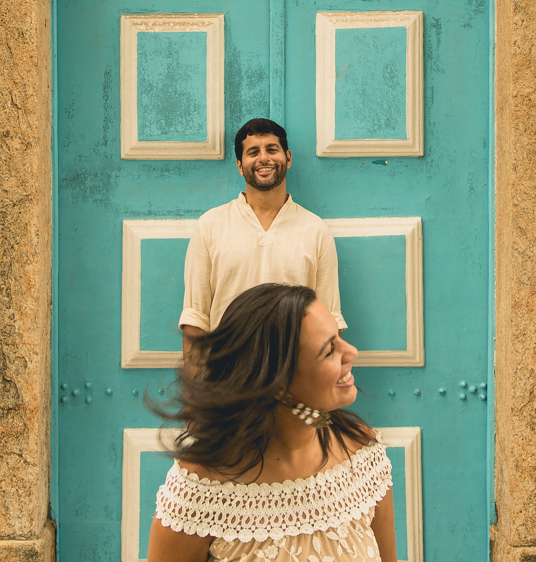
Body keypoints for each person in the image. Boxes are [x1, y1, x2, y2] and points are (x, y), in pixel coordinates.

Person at [147, 283, 396, 562]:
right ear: (277, 384)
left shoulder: (364, 456)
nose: (351, 352)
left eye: (339, 338)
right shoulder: (199, 491)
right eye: (329, 351)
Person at [179, 119, 345, 375]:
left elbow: (330, 322)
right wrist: (193, 406)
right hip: (227, 378)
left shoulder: (315, 230)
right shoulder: (210, 225)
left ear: (287, 157)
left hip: (294, 378)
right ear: (239, 165)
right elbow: (195, 319)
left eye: (272, 149)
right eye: (253, 152)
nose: (263, 158)